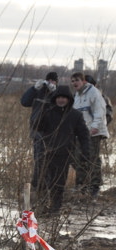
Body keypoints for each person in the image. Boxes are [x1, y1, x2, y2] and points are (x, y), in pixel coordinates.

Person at [32, 85, 91, 214]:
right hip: (45, 152)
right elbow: (36, 126)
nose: (61, 100)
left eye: (64, 98)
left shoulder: (76, 115)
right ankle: (41, 207)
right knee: (41, 181)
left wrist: (85, 152)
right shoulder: (48, 112)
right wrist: (42, 110)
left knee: (59, 183)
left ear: (69, 99)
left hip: (64, 154)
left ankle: (55, 209)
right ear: (55, 99)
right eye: (59, 97)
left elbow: (84, 135)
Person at [71, 71, 109, 197]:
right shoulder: (77, 96)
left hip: (94, 131)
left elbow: (100, 110)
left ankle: (94, 187)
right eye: (72, 81)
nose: (74, 83)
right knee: (78, 158)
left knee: (92, 158)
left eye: (77, 80)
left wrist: (95, 126)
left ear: (83, 81)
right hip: (81, 132)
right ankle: (81, 185)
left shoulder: (93, 92)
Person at [20, 72, 58, 195]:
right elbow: (24, 102)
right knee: (38, 159)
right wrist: (34, 88)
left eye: (53, 81)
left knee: (47, 160)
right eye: (48, 80)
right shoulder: (38, 92)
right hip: (37, 131)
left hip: (51, 132)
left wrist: (55, 92)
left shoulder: (57, 94)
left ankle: (44, 186)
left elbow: (61, 107)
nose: (50, 83)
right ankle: (37, 185)